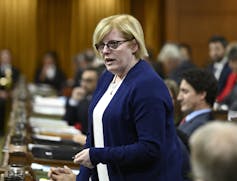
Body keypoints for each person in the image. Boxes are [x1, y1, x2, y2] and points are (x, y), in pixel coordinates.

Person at [49, 14, 183, 181]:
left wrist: (97, 155)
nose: (105, 51)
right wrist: (81, 179)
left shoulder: (148, 86)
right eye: (101, 45)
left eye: (113, 44)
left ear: (134, 45)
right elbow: (94, 136)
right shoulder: (107, 77)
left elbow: (149, 149)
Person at [177, 68, 218, 138]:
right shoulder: (193, 121)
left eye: (185, 91)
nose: (179, 98)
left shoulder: (201, 127)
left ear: (202, 94)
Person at [63, 67, 99, 145]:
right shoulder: (83, 98)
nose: (84, 84)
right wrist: (73, 101)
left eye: (89, 81)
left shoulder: (100, 100)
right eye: (82, 80)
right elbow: (69, 121)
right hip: (80, 140)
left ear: (99, 82)